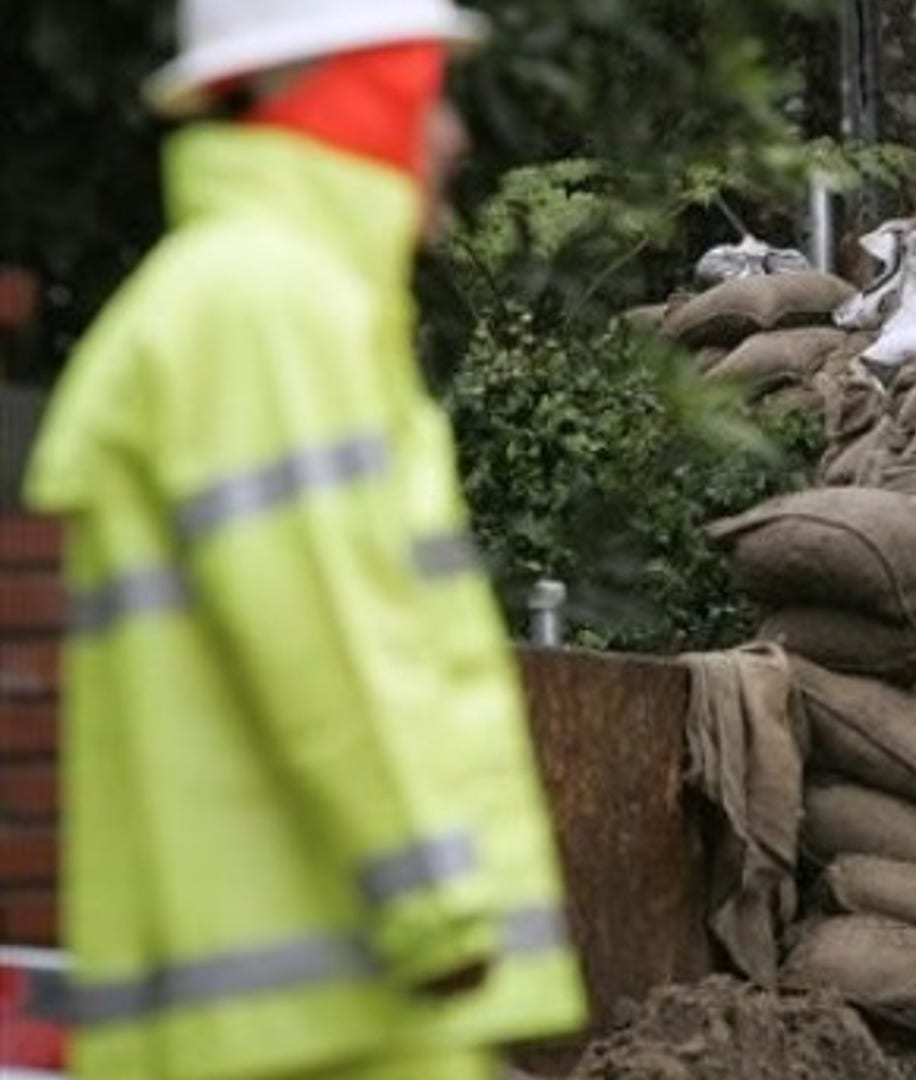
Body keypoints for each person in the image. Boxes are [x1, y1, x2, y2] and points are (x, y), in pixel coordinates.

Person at [24, 2, 586, 1076]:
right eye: (430, 94)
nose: (455, 136)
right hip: (325, 1021)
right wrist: (433, 900)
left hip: (306, 1016)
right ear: (354, 95)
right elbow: (329, 637)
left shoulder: (247, 301)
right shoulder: (268, 309)